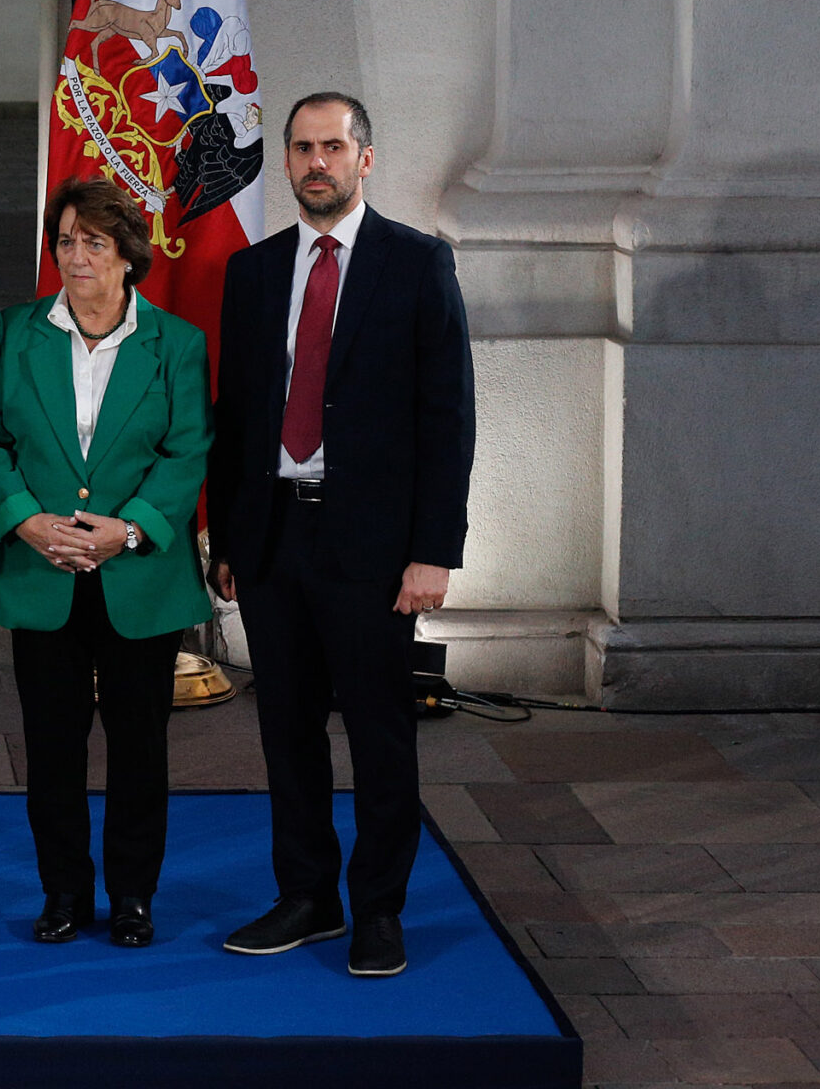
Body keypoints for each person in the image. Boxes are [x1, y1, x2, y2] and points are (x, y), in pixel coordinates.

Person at [207, 91, 474, 978]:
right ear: (285, 160)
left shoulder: (417, 263)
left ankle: (380, 910)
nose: (315, 162)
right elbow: (237, 415)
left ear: (366, 158)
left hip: (372, 546)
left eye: (332, 146)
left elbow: (449, 417)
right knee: (286, 729)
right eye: (301, 148)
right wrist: (228, 537)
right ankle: (308, 896)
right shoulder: (253, 272)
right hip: (274, 536)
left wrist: (434, 551)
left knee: (378, 731)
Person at [0, 178, 212, 950]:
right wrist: (25, 521)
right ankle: (64, 891)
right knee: (52, 748)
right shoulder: (16, 333)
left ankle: (133, 895)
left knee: (140, 749)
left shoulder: (177, 344)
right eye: (66, 241)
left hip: (140, 579)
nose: (75, 256)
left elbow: (187, 452)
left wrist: (128, 531)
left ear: (128, 255)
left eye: (93, 243)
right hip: (43, 572)